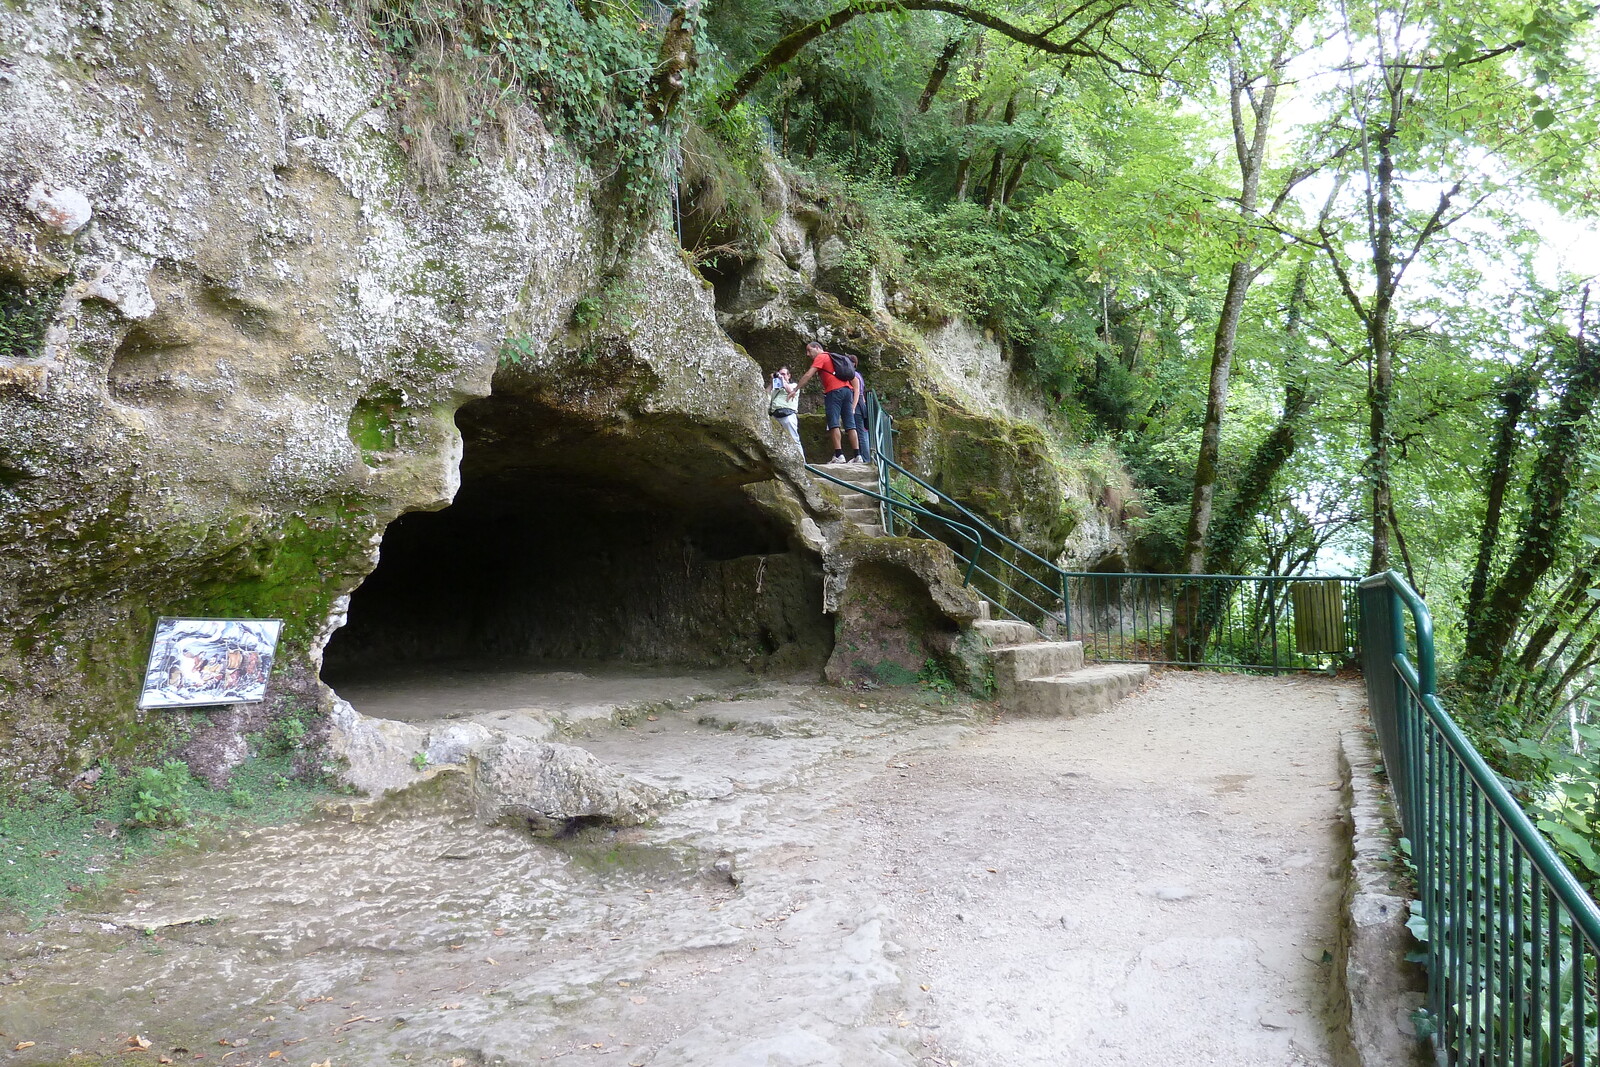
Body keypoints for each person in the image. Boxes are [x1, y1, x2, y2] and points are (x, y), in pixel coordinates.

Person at [792, 340, 861, 465]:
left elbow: (808, 375)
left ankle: (839, 455)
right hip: (847, 391)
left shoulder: (822, 357)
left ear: (817, 348)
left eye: (809, 350)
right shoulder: (834, 357)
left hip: (834, 392)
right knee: (850, 425)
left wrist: (795, 389)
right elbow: (854, 379)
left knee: (834, 423)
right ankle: (858, 456)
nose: (808, 354)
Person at [769, 366, 802, 447]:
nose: (782, 376)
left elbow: (791, 391)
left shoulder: (794, 386)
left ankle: (801, 460)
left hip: (788, 416)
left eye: (784, 374)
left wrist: (781, 379)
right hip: (775, 416)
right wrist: (771, 383)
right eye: (780, 374)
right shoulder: (776, 390)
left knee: (794, 440)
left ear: (789, 376)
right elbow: (765, 395)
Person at [850, 366, 873, 464]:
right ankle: (865, 457)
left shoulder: (854, 375)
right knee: (863, 432)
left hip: (858, 407)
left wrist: (853, 408)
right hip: (862, 405)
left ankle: (866, 458)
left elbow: (857, 392)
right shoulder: (859, 375)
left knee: (861, 433)